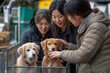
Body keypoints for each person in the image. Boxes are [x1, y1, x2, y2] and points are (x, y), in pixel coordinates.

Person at [49, 0, 110, 73]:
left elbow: (83, 55)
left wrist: (60, 54)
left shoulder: (95, 28)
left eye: (68, 16)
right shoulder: (89, 25)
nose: (68, 19)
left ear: (77, 15)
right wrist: (69, 46)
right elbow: (88, 49)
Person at [49, 0, 77, 73]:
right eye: (54, 17)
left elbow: (81, 49)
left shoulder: (75, 25)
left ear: (66, 14)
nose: (57, 20)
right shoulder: (52, 27)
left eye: (60, 16)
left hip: (77, 65)